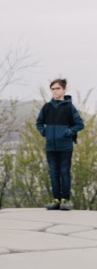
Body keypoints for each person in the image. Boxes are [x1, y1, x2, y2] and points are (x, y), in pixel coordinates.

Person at [36, 78, 84, 211]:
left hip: (65, 147)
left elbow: (80, 124)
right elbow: (39, 123)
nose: (54, 91)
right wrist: (45, 132)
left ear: (64, 89)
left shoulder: (69, 107)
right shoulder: (46, 107)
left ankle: (65, 200)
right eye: (52, 89)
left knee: (64, 172)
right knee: (53, 173)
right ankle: (56, 200)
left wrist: (67, 132)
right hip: (50, 147)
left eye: (57, 88)